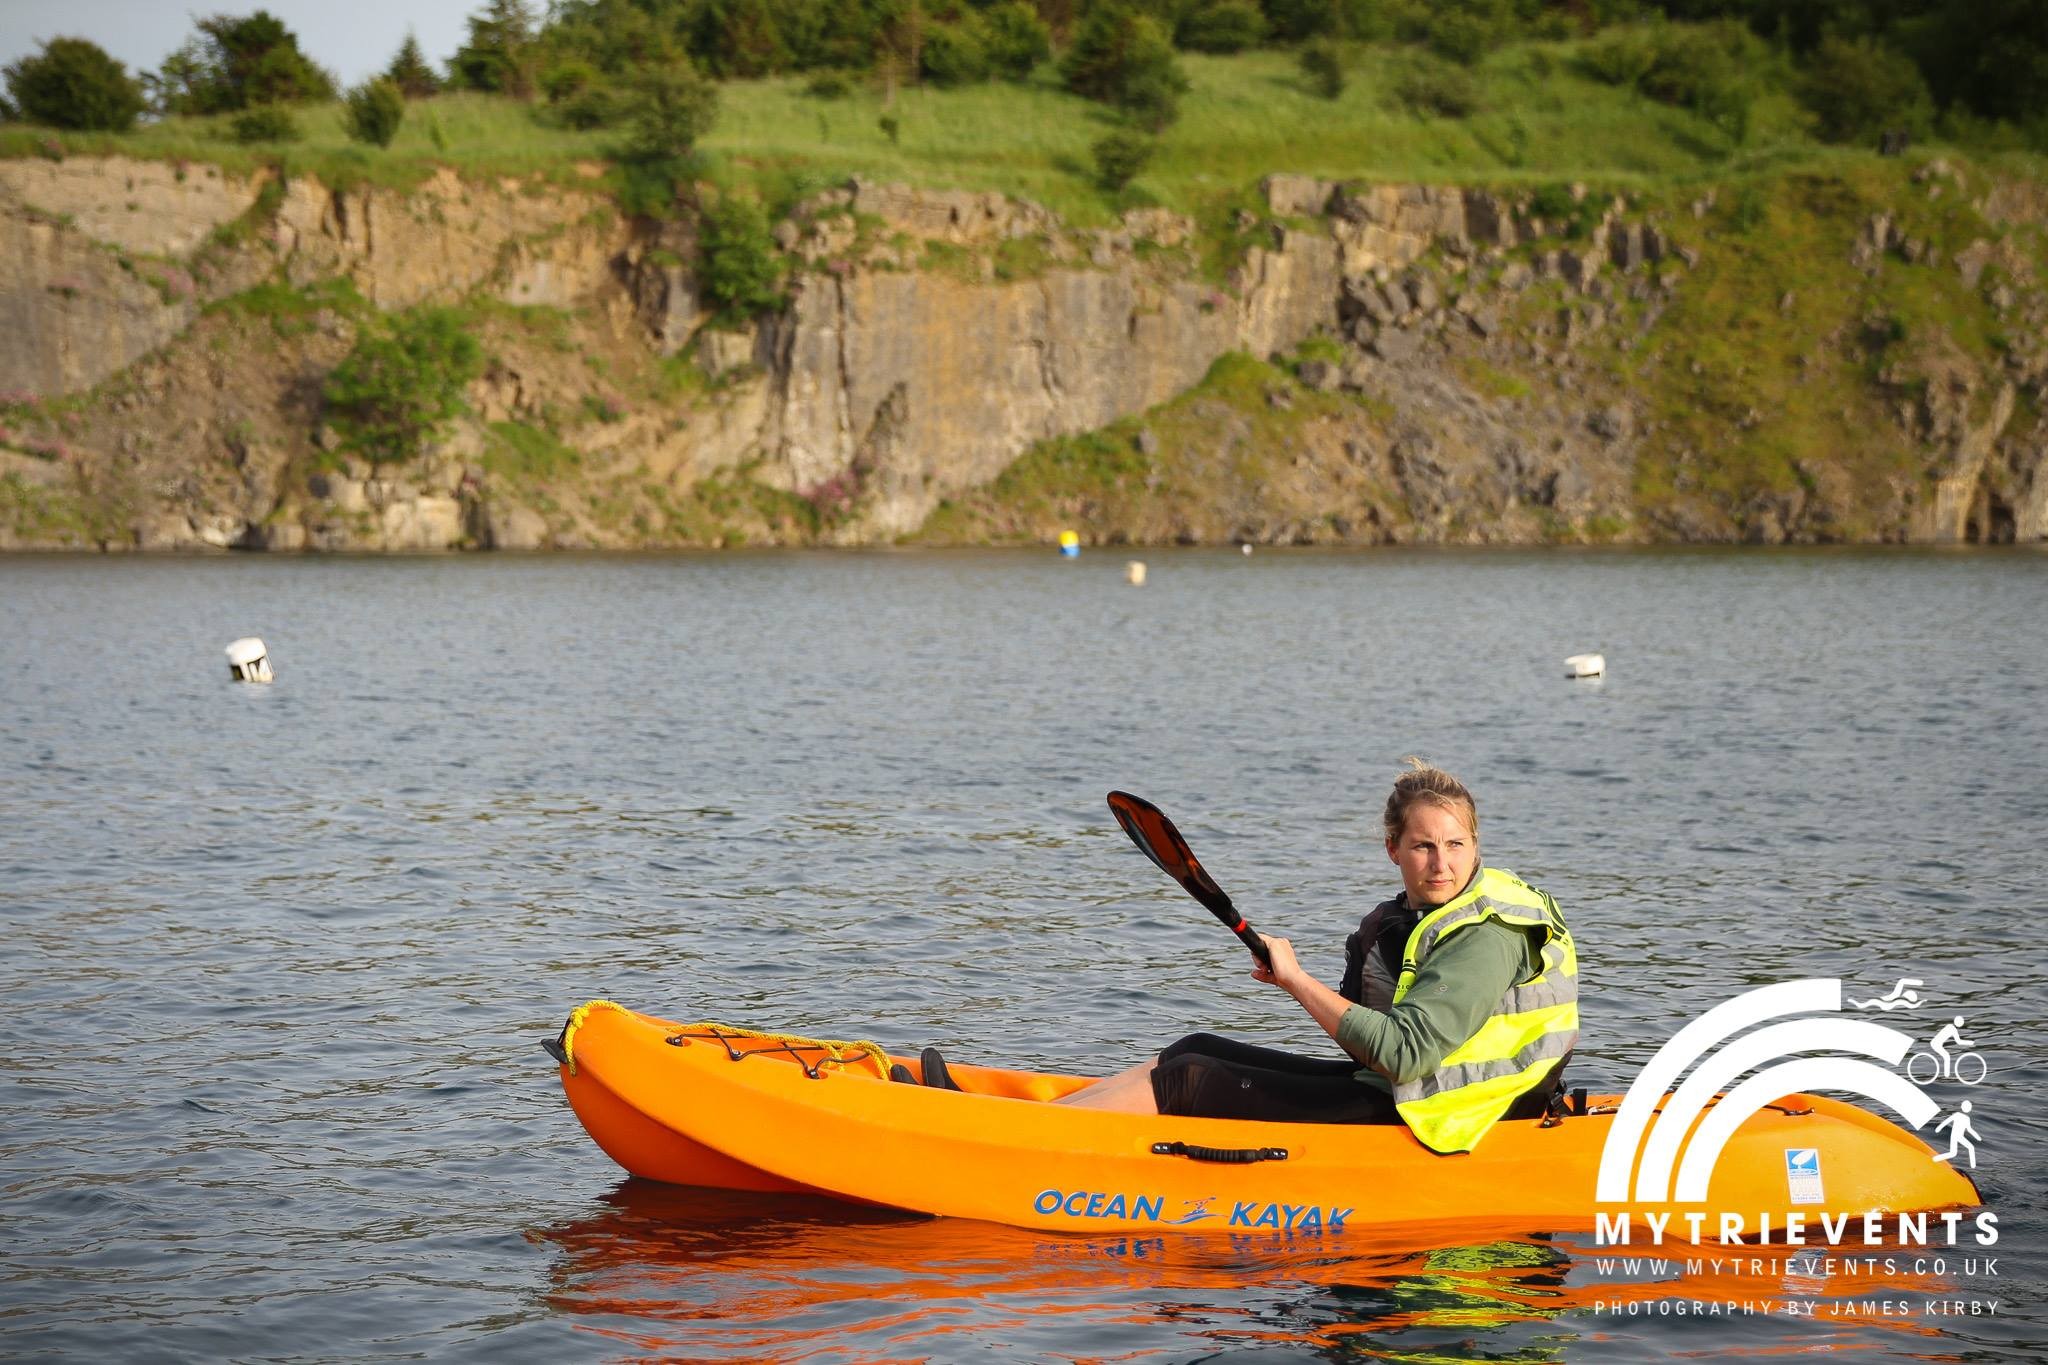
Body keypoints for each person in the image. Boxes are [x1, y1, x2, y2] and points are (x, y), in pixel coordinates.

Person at [1051, 759, 1579, 1154]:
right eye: (1423, 846)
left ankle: (1031, 1145)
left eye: (1456, 845)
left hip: (1462, 1118)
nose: (1442, 864)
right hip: (1415, 1094)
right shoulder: (1410, 921)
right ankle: (1023, 1123)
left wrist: (1298, 981)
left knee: (1187, 1080)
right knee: (1191, 1047)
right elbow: (1373, 1049)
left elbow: (1405, 1055)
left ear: (1475, 844)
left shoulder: (1487, 932)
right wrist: (1293, 981)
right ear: (1392, 848)